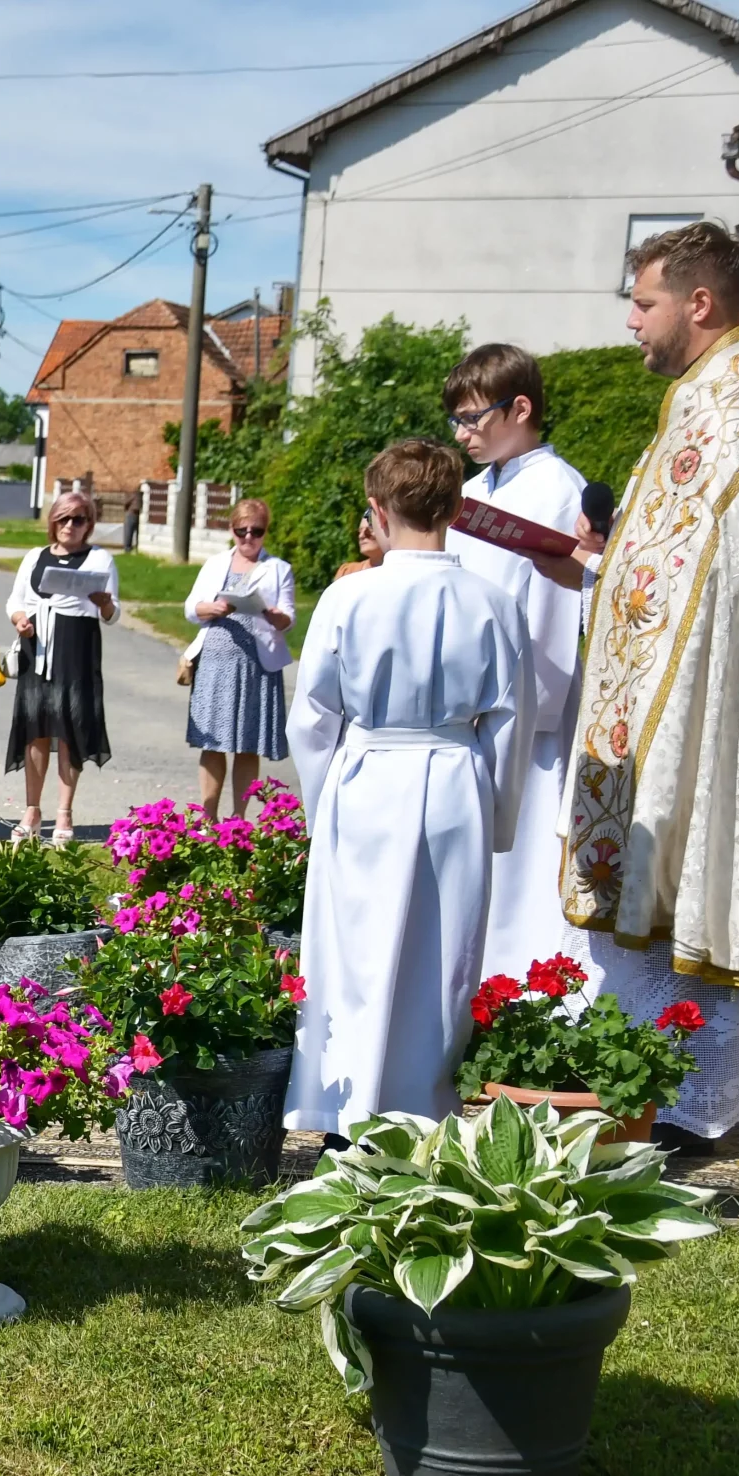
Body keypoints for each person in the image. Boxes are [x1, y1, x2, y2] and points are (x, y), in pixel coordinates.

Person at [547, 220, 739, 1153]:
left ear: (698, 303)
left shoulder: (736, 413)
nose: (630, 322)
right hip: (662, 701)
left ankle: (687, 1108)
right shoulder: (706, 398)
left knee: (688, 882)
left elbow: (726, 587)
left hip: (699, 709)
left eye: (643, 301)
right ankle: (658, 1097)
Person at [284, 440, 531, 1135]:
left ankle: (344, 1108)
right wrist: (498, 816)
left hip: (365, 776)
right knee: (442, 954)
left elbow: (313, 716)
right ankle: (425, 1106)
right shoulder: (493, 602)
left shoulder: (349, 595)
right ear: (457, 507)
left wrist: (322, 801)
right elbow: (510, 720)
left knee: (352, 947)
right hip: (455, 779)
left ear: (377, 509)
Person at [444, 344, 590, 977]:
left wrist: (534, 711)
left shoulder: (561, 491)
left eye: (474, 418)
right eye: (457, 419)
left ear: (520, 408)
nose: (462, 433)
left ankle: (521, 989)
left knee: (522, 861)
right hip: (466, 705)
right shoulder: (474, 490)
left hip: (528, 715)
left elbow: (556, 610)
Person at [5, 489, 118, 842]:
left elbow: (114, 615)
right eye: (64, 518)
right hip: (36, 647)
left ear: (89, 524)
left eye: (79, 519)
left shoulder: (101, 560)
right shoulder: (34, 556)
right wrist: (20, 619)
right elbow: (15, 600)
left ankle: (64, 815)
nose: (70, 525)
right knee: (36, 731)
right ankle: (32, 811)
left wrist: (104, 604)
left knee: (70, 730)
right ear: (53, 522)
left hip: (76, 650)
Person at [182, 498, 296, 817]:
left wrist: (273, 615)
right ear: (231, 530)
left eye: (256, 531)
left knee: (248, 743)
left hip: (256, 665)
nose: (248, 537)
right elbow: (191, 608)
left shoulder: (278, 569)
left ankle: (238, 821)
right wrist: (212, 607)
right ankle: (207, 817)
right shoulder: (216, 563)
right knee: (213, 741)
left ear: (265, 532)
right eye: (241, 530)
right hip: (215, 664)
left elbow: (288, 618)